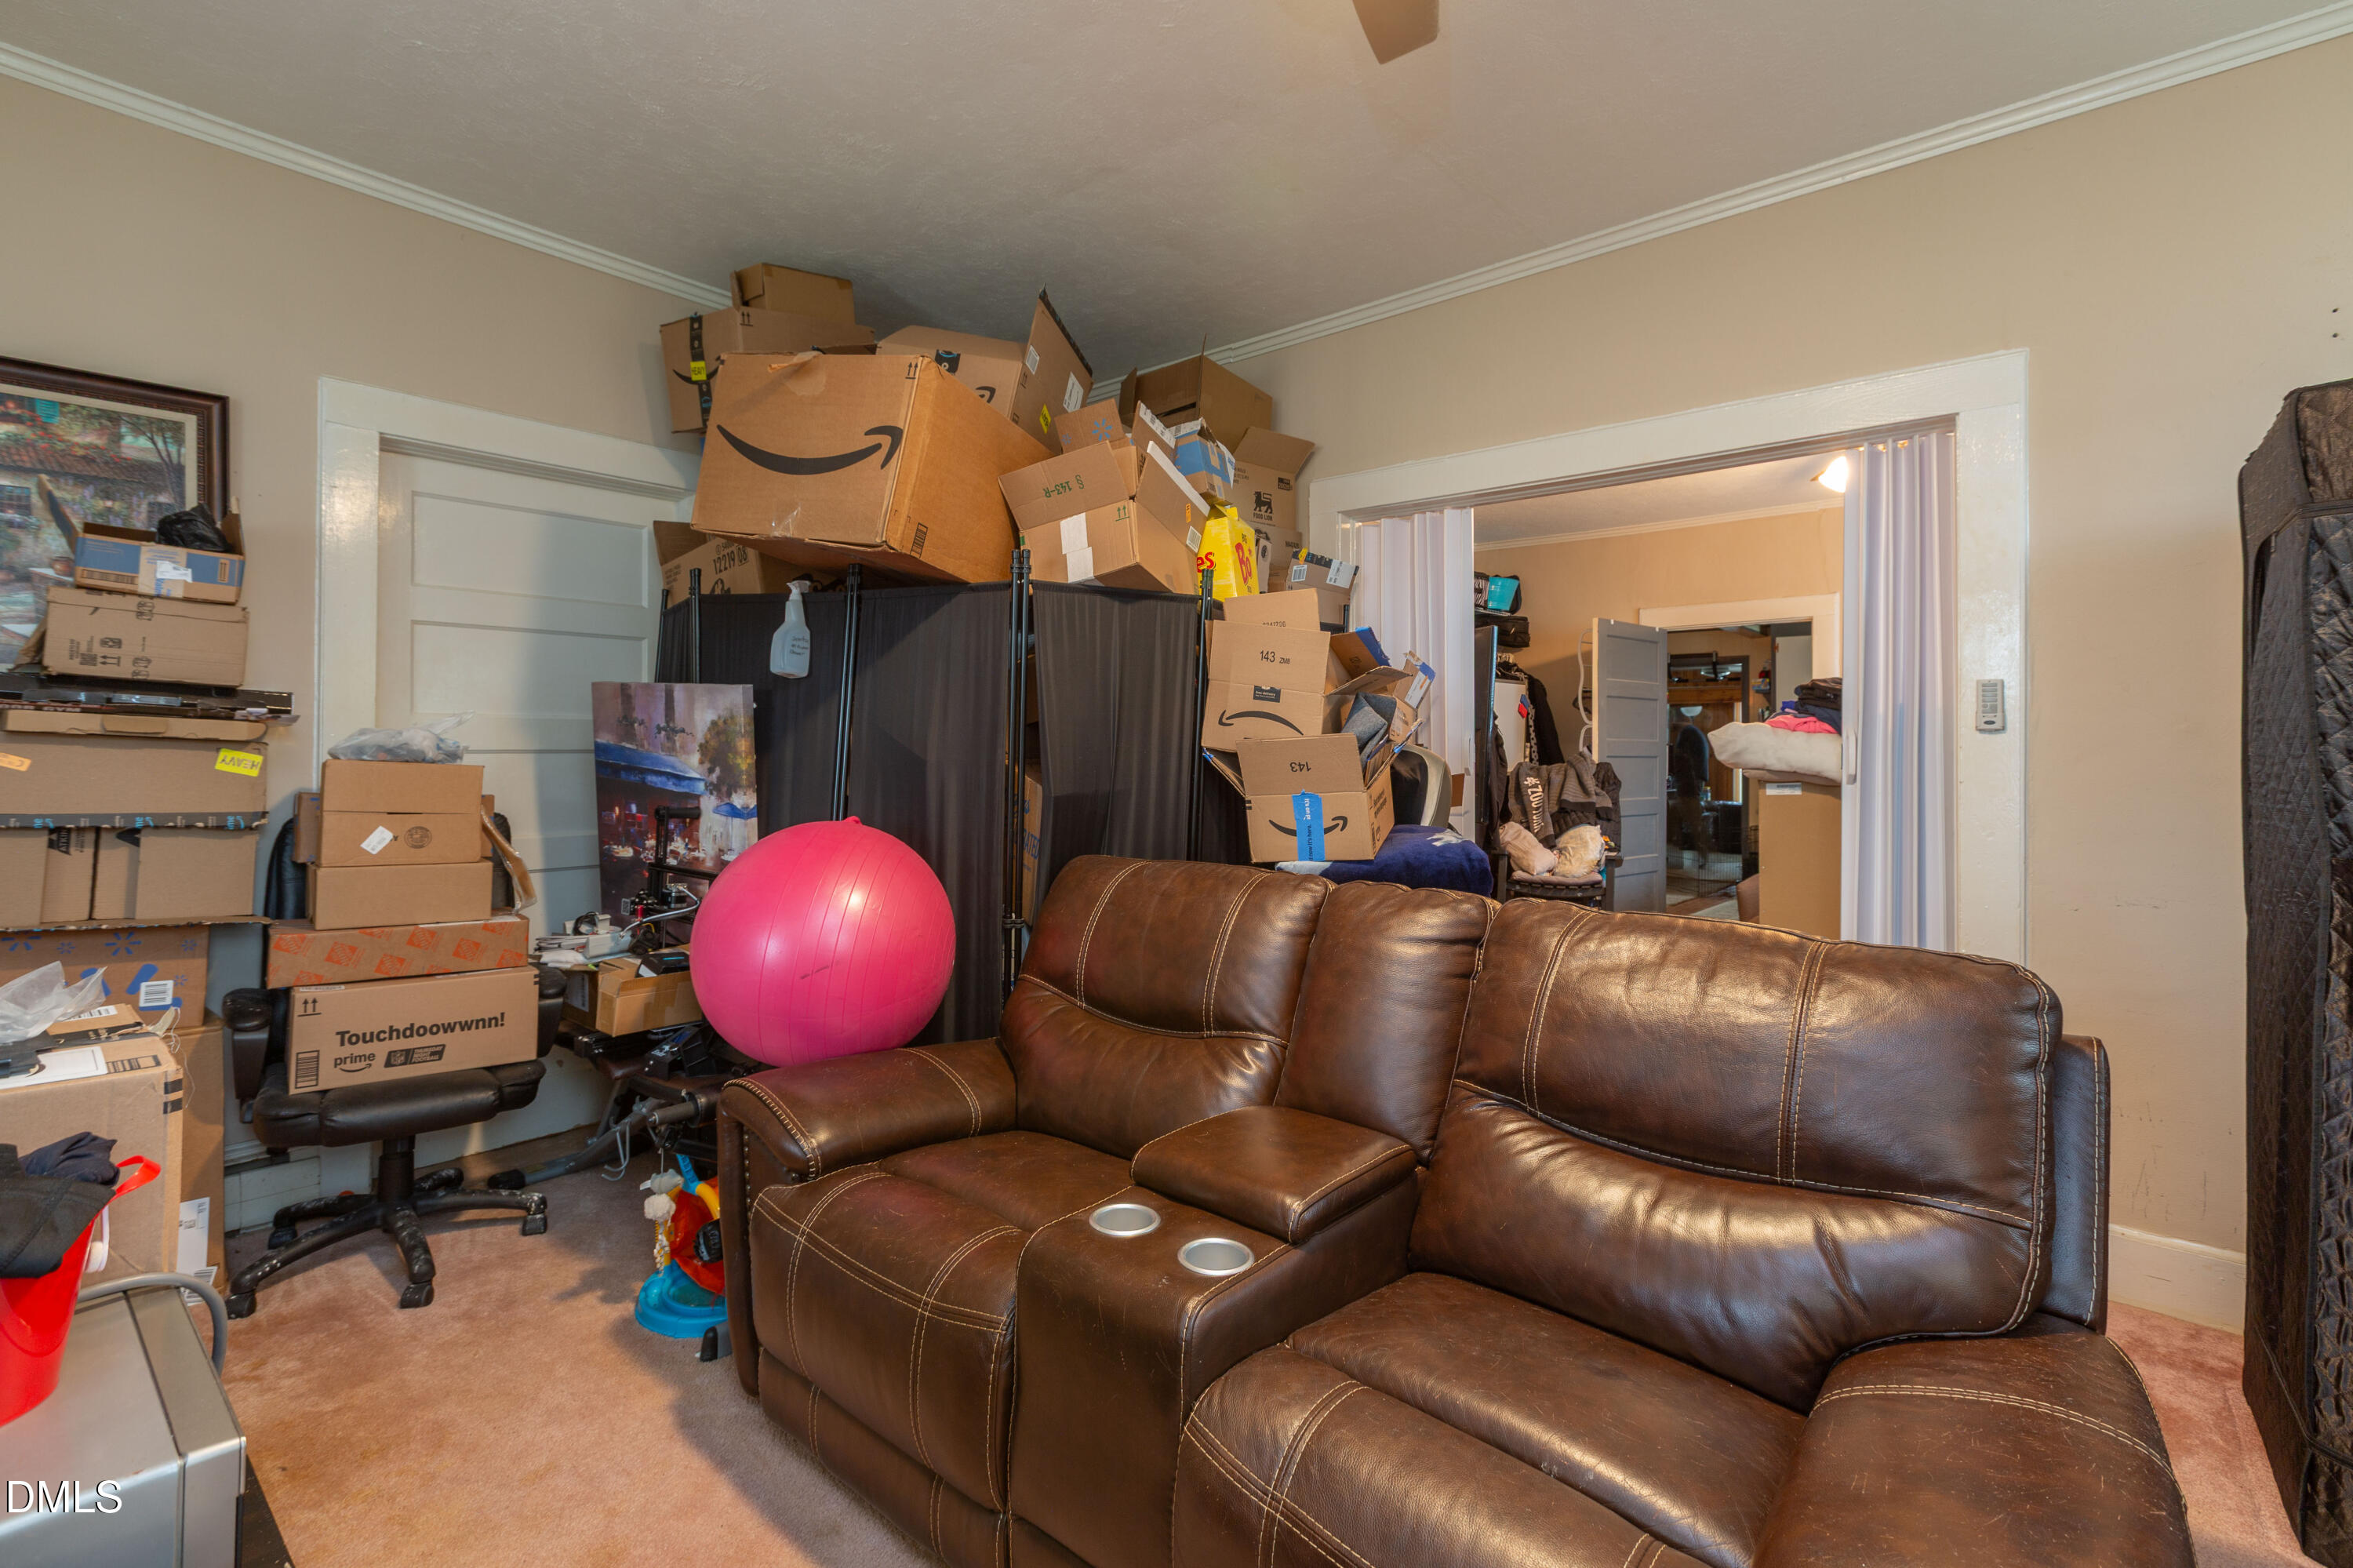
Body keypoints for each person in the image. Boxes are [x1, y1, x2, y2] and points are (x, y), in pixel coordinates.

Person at [1669, 717, 1711, 864]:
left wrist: (1683, 782)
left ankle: (1701, 852)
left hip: (1689, 783)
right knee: (1690, 817)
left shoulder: (1687, 734)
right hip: (1694, 781)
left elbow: (1683, 760)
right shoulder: (1696, 733)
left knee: (1692, 819)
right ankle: (1700, 852)